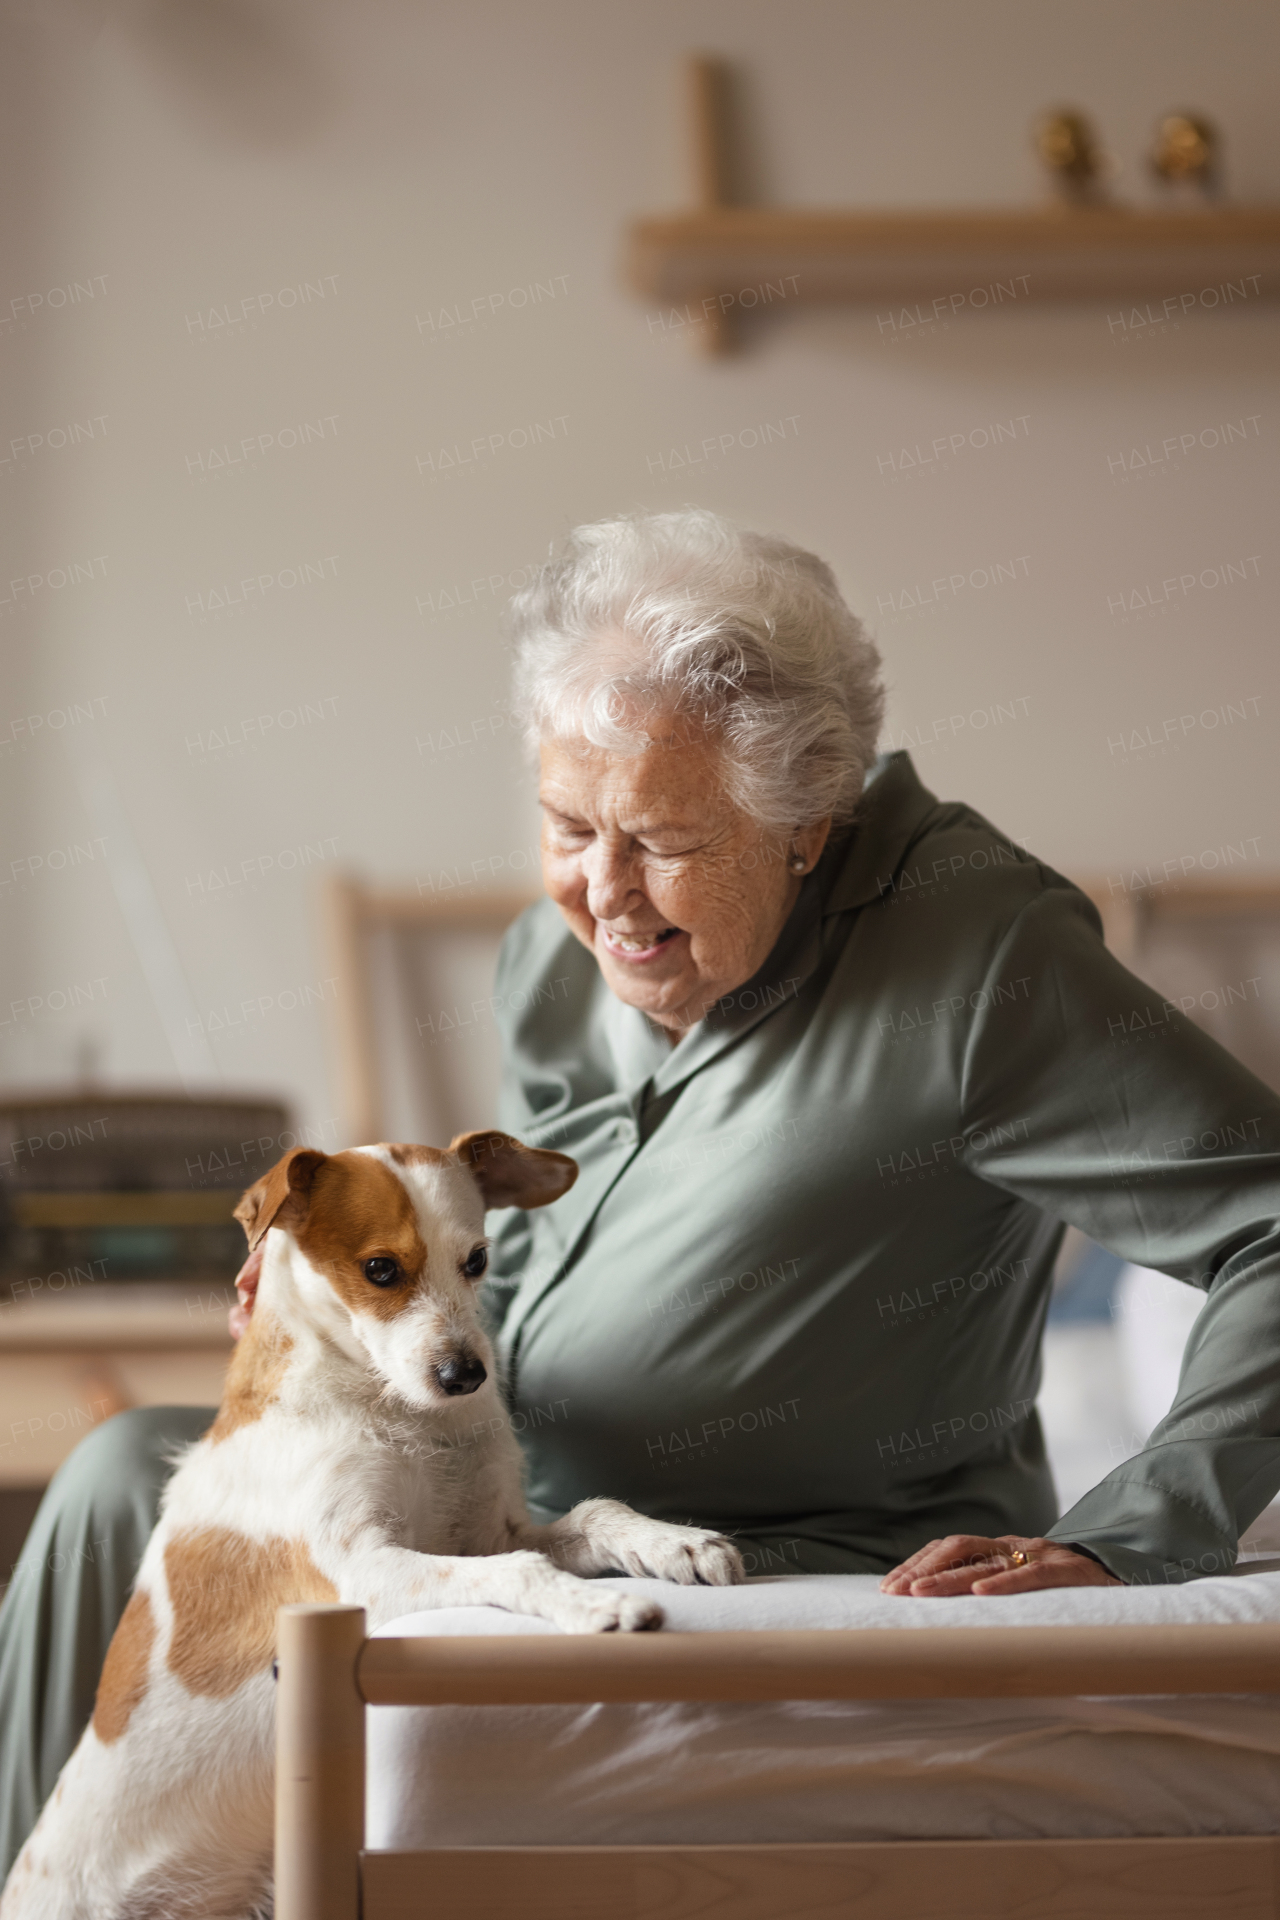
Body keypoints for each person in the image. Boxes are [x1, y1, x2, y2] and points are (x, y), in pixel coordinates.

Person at [4, 508, 1279, 1874]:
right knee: (114, 1477)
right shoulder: (549, 965)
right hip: (499, 1489)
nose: (602, 894)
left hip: (784, 1550)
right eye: (567, 824)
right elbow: (519, 1253)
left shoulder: (986, 967)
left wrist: (1135, 1536)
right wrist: (326, 1306)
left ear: (808, 823)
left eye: (664, 840)